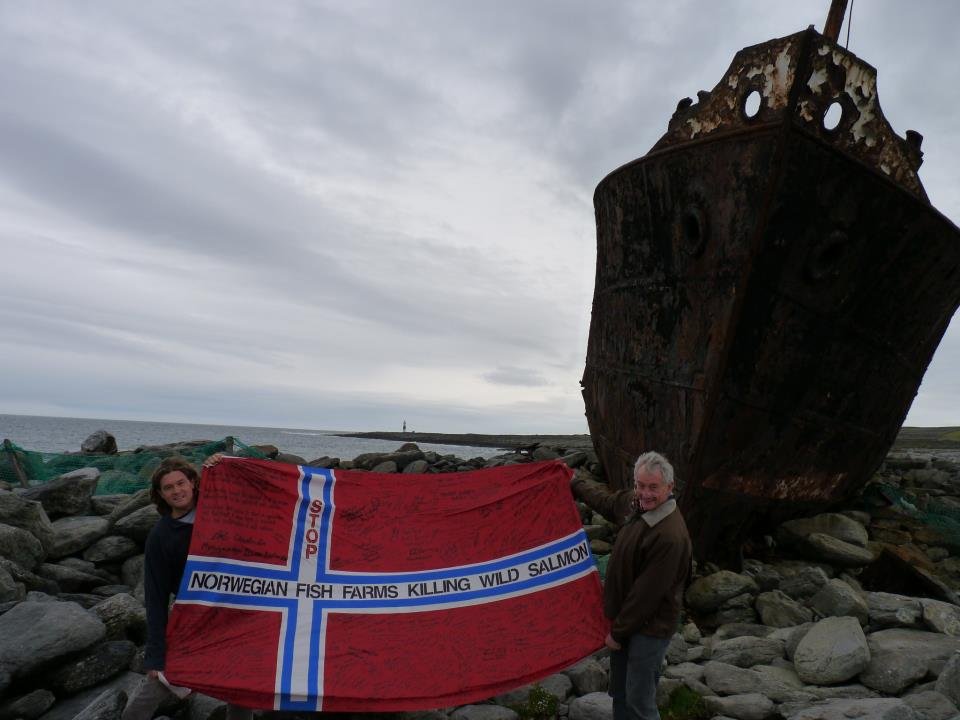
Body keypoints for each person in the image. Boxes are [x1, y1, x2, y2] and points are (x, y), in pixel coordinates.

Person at [121, 456, 252, 720]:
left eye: (181, 483)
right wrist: (155, 657)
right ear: (160, 494)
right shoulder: (160, 537)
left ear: (193, 482)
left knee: (240, 692)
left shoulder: (219, 512)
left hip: (233, 618)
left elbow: (251, 491)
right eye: (168, 487)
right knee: (151, 692)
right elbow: (156, 599)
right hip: (192, 622)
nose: (177, 491)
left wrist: (223, 461)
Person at [571, 451, 692, 720]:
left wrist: (617, 634)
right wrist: (574, 483)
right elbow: (606, 501)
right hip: (626, 621)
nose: (645, 493)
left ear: (669, 487)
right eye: (640, 485)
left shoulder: (669, 536)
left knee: (639, 700)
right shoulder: (635, 505)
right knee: (620, 693)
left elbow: (646, 596)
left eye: (653, 487)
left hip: (650, 628)